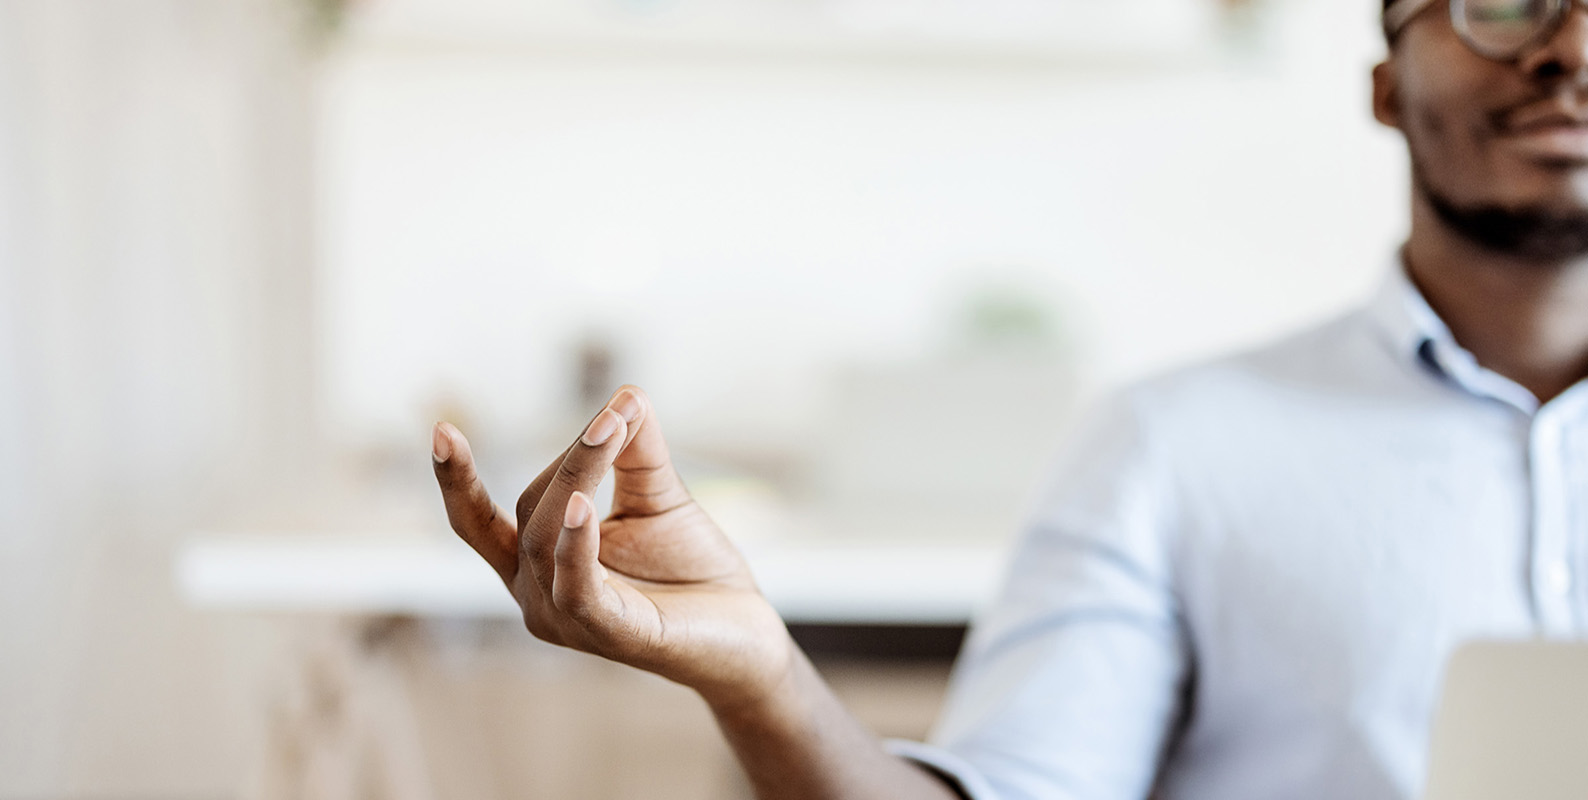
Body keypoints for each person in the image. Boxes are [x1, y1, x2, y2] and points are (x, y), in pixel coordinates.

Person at [430, 0, 1588, 796]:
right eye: (1504, 1)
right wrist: (763, 676)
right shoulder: (1173, 446)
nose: (1568, 49)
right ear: (1386, 83)